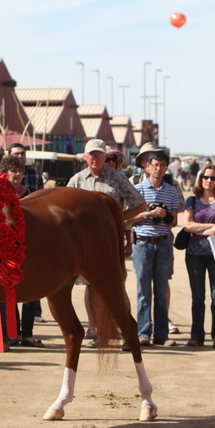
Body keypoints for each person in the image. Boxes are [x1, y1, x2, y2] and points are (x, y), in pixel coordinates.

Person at [66, 139, 146, 347]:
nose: (95, 158)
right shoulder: (76, 181)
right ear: (85, 157)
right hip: (85, 246)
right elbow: (63, 211)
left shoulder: (117, 178)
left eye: (99, 155)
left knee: (116, 287)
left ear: (105, 156)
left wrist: (117, 220)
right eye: (91, 155)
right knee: (91, 287)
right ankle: (100, 333)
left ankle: (128, 334)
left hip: (110, 244)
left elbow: (139, 204)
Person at [131, 144, 182, 347]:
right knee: (143, 292)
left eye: (162, 165)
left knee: (160, 292)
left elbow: (174, 222)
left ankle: (161, 334)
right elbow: (128, 218)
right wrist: (148, 213)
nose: (158, 169)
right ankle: (143, 333)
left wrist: (165, 215)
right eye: (155, 165)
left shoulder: (171, 191)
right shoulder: (137, 190)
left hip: (163, 243)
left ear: (167, 167)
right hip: (142, 243)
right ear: (147, 166)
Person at [180, 163, 215, 348]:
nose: (208, 181)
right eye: (205, 177)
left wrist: (200, 229)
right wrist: (212, 227)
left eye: (212, 178)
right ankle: (197, 335)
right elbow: (187, 226)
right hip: (194, 254)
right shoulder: (192, 201)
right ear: (200, 179)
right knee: (197, 297)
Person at [0, 154, 43, 347]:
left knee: (30, 293)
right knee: (10, 292)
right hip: (7, 250)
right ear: (5, 172)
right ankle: (13, 333)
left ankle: (27, 334)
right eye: (13, 171)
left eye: (20, 171)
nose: (17, 174)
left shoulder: (31, 193)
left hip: (29, 248)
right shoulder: (0, 194)